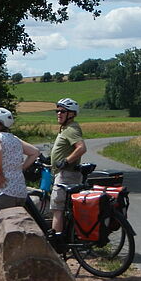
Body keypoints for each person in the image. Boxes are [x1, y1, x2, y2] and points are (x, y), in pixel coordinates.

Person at [0, 107, 39, 217]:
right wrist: (20, 168)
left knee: (0, 228)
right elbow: (35, 152)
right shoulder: (15, 139)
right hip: (19, 193)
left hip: (1, 193)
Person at [49, 97, 86, 234]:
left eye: (63, 111)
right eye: (57, 111)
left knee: (57, 209)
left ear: (71, 114)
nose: (59, 114)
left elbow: (81, 148)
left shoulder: (71, 129)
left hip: (66, 175)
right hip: (64, 174)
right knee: (63, 209)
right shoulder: (66, 128)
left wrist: (66, 161)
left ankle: (57, 243)